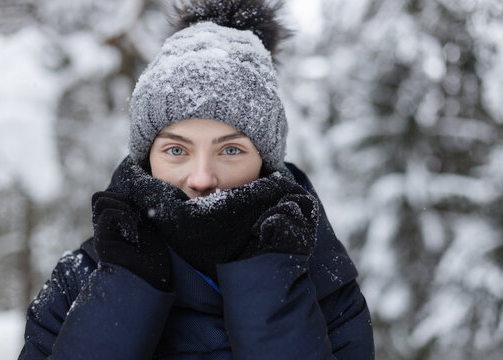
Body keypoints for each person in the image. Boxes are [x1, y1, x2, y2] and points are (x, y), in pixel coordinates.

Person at [19, 0, 375, 359]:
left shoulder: (326, 284)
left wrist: (270, 284)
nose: (202, 179)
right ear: (146, 158)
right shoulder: (78, 280)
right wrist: (126, 287)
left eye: (231, 150)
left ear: (266, 161)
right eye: (177, 150)